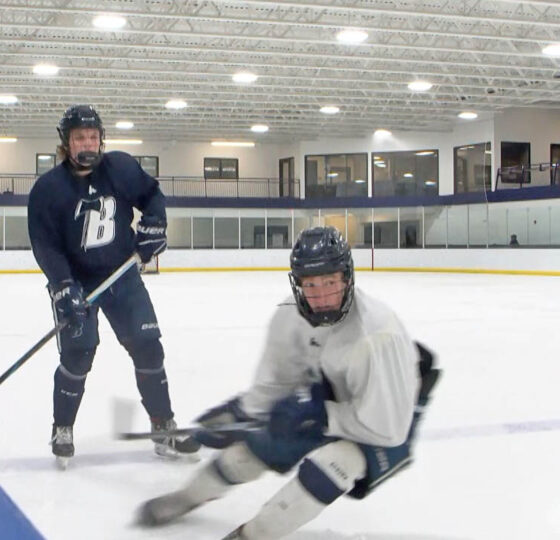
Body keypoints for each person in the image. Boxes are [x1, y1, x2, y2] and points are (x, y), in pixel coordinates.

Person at [136, 226, 441, 539]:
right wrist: (241, 414)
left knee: (332, 465)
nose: (321, 297)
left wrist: (321, 415)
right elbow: (275, 384)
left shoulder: (378, 336)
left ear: (347, 278)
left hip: (387, 419)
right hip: (325, 399)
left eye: (330, 282)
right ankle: (186, 497)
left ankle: (253, 535)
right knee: (250, 450)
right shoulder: (289, 316)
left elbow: (388, 429)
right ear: (298, 284)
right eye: (310, 284)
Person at [27, 104, 199, 467]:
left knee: (148, 348)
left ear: (101, 139)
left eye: (93, 137)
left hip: (122, 274)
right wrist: (63, 286)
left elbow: (152, 195)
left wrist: (155, 223)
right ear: (66, 143)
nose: (87, 144)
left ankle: (162, 426)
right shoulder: (48, 189)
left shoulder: (120, 168)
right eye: (79, 138)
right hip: (77, 283)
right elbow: (45, 245)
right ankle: (62, 428)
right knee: (78, 354)